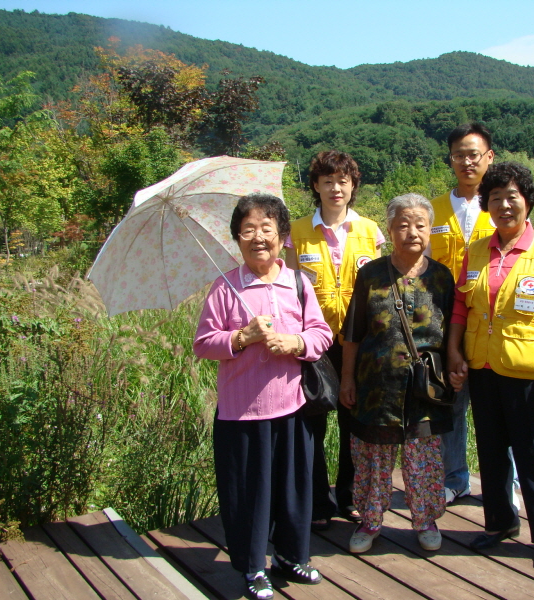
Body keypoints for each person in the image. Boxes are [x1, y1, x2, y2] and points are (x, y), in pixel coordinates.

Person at [193, 193, 333, 599]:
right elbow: (204, 343)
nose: (258, 237)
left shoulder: (298, 282)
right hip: (243, 412)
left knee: (294, 489)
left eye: (266, 228)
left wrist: (294, 342)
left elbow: (321, 334)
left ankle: (291, 557)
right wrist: (241, 337)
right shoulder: (225, 287)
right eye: (248, 230)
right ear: (237, 239)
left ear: (283, 236)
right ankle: (253, 567)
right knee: (249, 495)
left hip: (293, 408)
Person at [447, 162, 534, 569]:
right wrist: (454, 350)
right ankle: (500, 524)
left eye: (512, 197)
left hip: (527, 370)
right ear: (486, 204)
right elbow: (461, 306)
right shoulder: (477, 250)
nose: (504, 205)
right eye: (496, 198)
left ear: (528, 202)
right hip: (482, 367)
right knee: (490, 449)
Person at [340, 193, 454, 554]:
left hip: (424, 391)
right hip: (376, 388)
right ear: (389, 229)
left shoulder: (441, 277)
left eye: (420, 224)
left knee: (424, 460)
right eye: (402, 224)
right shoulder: (370, 274)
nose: (412, 231)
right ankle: (370, 520)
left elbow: (453, 331)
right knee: (373, 458)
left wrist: (455, 367)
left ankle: (425, 520)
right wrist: (346, 379)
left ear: (429, 229)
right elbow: (354, 333)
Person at [285, 150, 385, 530]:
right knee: (311, 423)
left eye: (343, 181)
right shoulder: (296, 232)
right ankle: (316, 502)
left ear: (353, 185)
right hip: (313, 340)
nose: (335, 188)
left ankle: (349, 496)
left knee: (353, 422)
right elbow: (290, 288)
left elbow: (376, 286)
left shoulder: (370, 230)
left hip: (359, 342)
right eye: (327, 181)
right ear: (315, 186)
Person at [427, 122, 496, 505]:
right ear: (450, 159)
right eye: (459, 155)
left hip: (491, 326)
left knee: (495, 410)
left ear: (489, 158)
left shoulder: (502, 205)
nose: (467, 162)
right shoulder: (431, 209)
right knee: (451, 404)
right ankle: (455, 478)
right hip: (442, 327)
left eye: (474, 154)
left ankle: (505, 482)